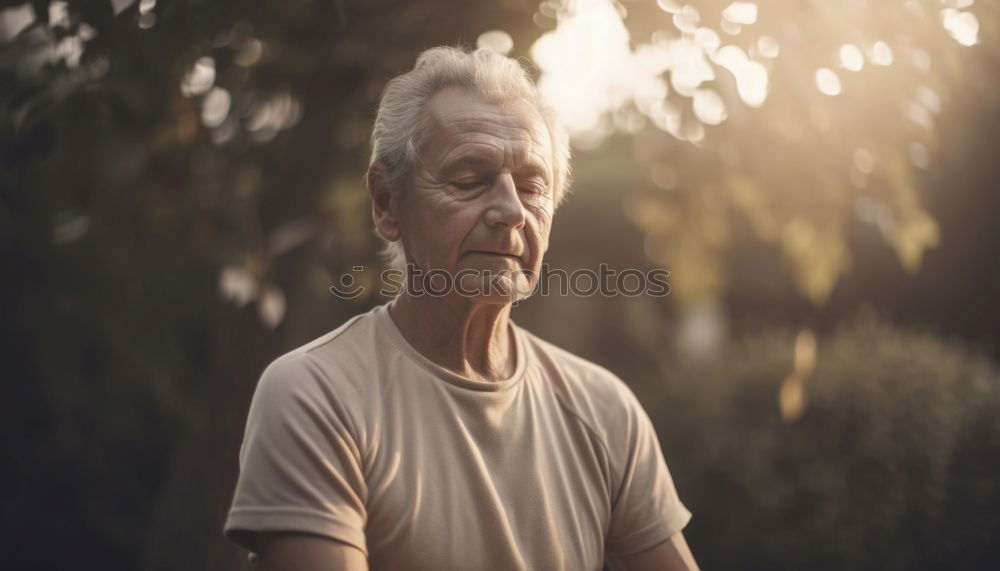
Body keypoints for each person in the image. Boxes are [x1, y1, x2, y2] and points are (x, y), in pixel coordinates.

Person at [223, 46, 699, 571]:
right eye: (470, 180)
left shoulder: (605, 411)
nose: (512, 211)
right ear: (386, 203)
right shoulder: (317, 395)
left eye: (532, 186)